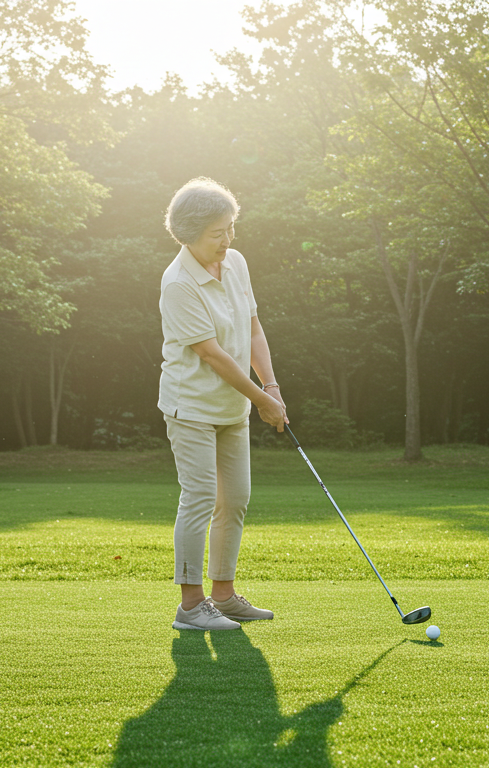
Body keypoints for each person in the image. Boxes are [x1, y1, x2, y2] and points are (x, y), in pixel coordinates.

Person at [158, 177, 287, 631]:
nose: (227, 239)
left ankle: (224, 596)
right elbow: (211, 354)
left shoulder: (235, 262)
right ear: (189, 234)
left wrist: (271, 386)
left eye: (231, 228)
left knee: (235, 500)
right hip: (191, 406)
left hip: (233, 406)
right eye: (217, 233)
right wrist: (262, 400)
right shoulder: (178, 283)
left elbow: (252, 328)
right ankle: (191, 607)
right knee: (198, 499)